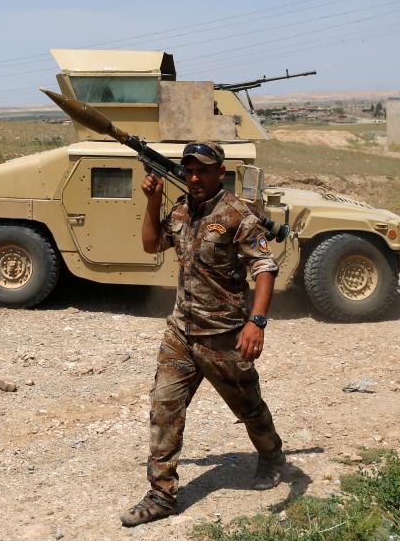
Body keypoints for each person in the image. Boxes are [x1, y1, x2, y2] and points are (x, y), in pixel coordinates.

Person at [120, 140, 286, 527]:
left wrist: (256, 322)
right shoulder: (180, 212)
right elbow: (150, 245)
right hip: (181, 331)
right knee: (164, 409)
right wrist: (152, 202)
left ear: (219, 173)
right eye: (190, 169)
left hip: (224, 335)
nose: (195, 176)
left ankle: (272, 455)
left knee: (248, 407)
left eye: (203, 170)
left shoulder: (237, 216)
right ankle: (161, 495)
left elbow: (265, 267)